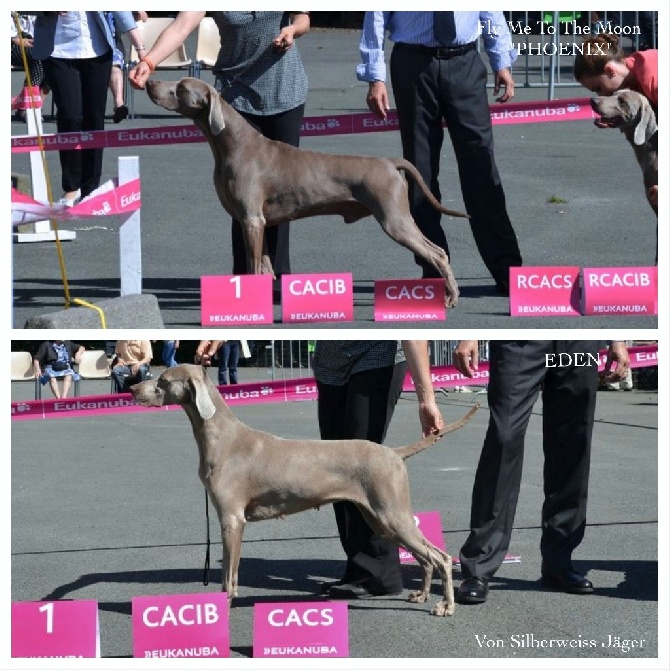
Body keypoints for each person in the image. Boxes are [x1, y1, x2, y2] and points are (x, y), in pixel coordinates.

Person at [129, 12, 310, 298]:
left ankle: (279, 278)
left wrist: (292, 30)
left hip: (284, 91)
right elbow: (180, 27)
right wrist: (149, 61)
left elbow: (303, 17)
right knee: (242, 194)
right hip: (235, 99)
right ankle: (246, 281)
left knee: (282, 191)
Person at [452, 340, 630, 604]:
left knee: (573, 442)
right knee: (504, 437)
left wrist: (618, 339)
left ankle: (558, 561)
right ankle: (479, 565)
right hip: (521, 342)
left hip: (577, 344)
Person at [357, 12, 522, 295]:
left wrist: (501, 61)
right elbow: (376, 15)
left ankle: (507, 270)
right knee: (420, 173)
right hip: (413, 63)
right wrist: (375, 76)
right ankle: (434, 272)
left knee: (481, 168)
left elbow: (491, 11)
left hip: (465, 63)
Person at [312, 340, 444, 599]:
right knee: (336, 472)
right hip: (330, 363)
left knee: (362, 471)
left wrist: (426, 399)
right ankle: (358, 566)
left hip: (378, 357)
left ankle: (379, 574)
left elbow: (412, 333)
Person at [32, 12, 148, 206]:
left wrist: (140, 48)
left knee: (94, 119)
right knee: (69, 115)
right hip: (57, 50)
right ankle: (71, 187)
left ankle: (90, 188)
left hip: (97, 51)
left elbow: (120, 9)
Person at [574, 32, 658, 209]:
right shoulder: (634, 75)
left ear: (610, 70)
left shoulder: (653, 78)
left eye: (599, 88)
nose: (601, 96)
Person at [105, 11, 147, 123]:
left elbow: (128, 17)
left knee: (115, 66)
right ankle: (119, 103)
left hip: (111, 45)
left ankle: (119, 104)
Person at [11, 12, 49, 122]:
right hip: (11, 44)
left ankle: (32, 104)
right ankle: (30, 107)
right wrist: (16, 40)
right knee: (38, 55)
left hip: (34, 42)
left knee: (54, 59)